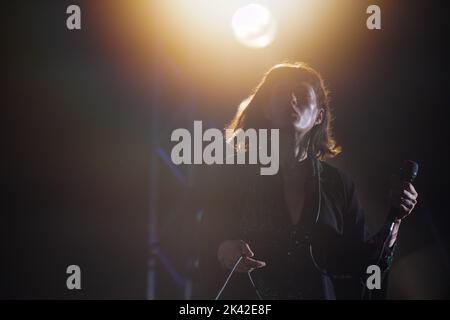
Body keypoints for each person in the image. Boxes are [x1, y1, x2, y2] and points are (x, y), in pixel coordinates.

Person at [194, 62, 418, 300]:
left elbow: (368, 264)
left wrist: (396, 219)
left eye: (301, 95)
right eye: (282, 94)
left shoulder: (338, 184)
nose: (291, 99)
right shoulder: (234, 175)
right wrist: (223, 251)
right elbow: (203, 242)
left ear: (319, 116)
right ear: (268, 110)